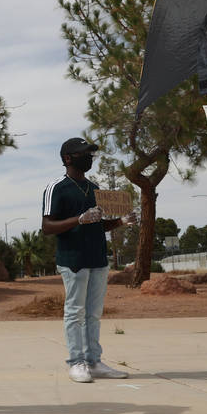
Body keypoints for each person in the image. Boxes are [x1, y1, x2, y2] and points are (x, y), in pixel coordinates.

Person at [41, 137, 136, 383]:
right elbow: (47, 227)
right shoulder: (57, 187)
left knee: (93, 313)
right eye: (84, 154)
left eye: (91, 154)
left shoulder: (95, 188)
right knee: (75, 312)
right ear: (67, 158)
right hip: (73, 260)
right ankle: (76, 362)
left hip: (97, 259)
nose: (89, 158)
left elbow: (98, 224)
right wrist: (78, 219)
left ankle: (94, 361)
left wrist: (121, 222)